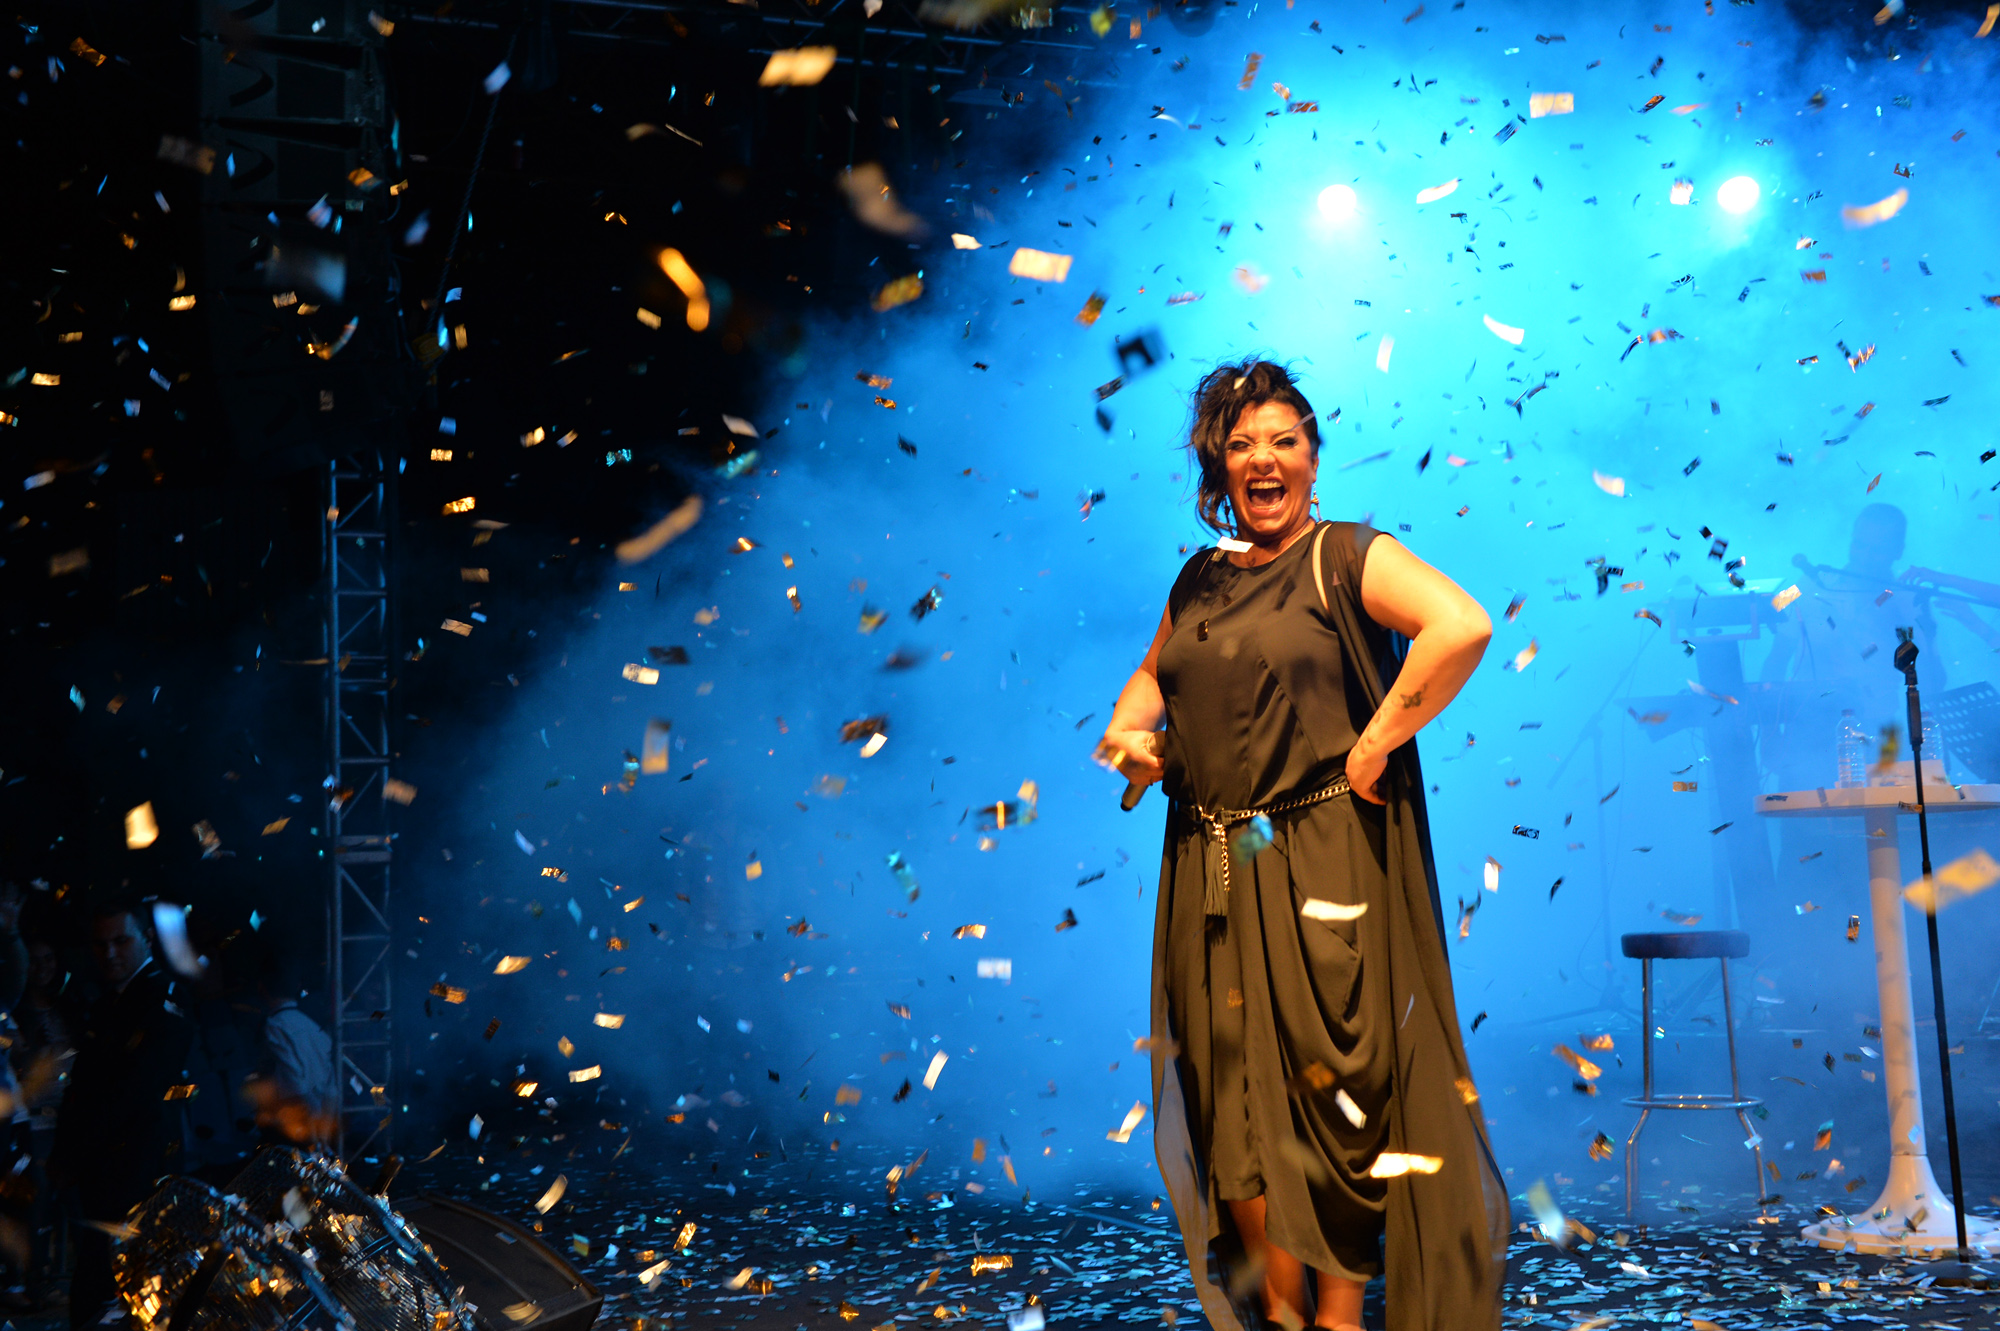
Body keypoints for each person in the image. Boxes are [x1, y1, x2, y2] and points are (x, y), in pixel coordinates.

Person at [1095, 361, 1507, 1331]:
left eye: (1282, 440)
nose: (1263, 459)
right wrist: (1125, 735)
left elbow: (1460, 625)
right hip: (1209, 869)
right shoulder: (1200, 576)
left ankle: (1337, 1316)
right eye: (1241, 444)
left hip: (1318, 862)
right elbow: (1151, 678)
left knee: (1329, 1097)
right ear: (1218, 468)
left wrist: (1374, 742)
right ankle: (1282, 1315)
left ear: (1313, 460)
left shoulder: (1345, 553)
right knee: (1231, 1103)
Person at [53, 903, 193, 1329]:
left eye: (120, 940)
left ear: (146, 939)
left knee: (115, 1293)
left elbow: (131, 1091)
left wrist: (72, 1154)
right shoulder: (114, 1002)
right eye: (101, 944)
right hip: (111, 1173)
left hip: (137, 1173)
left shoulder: (157, 998)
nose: (110, 953)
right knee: (105, 1290)